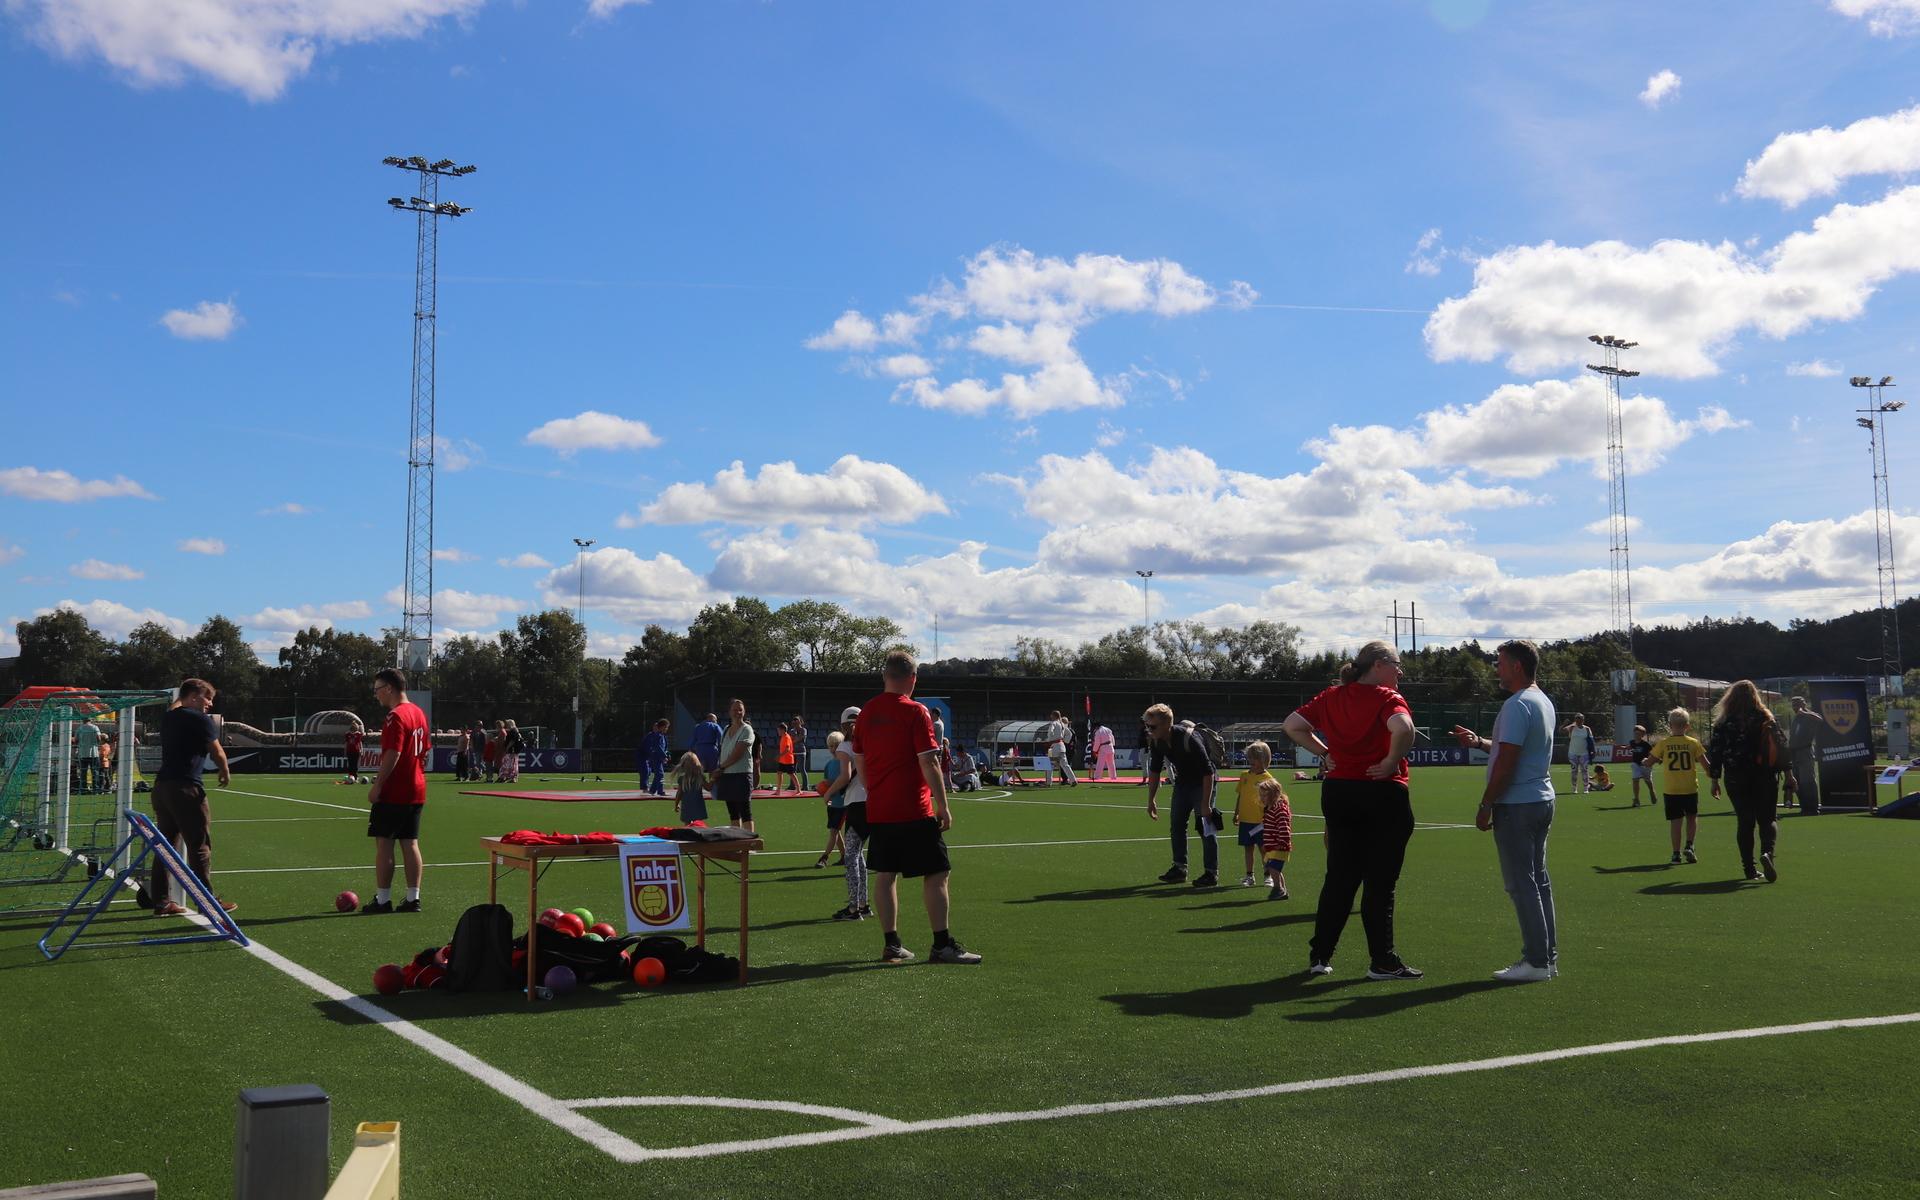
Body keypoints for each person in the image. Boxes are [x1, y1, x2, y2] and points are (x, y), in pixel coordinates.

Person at [1283, 639, 1421, 980]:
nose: (1400, 671)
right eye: (1395, 665)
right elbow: (1404, 729)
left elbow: (1292, 725)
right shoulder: (1388, 698)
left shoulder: (1331, 696)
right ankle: (1382, 961)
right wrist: (1390, 762)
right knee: (1380, 883)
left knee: (1339, 878)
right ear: (1377, 665)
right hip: (1382, 792)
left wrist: (1324, 753)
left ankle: (1320, 956)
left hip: (1339, 791)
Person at [852, 652, 979, 962]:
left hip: (880, 808)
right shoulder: (916, 712)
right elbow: (929, 760)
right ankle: (941, 944)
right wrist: (944, 805)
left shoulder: (867, 712)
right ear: (912, 679)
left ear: (885, 676)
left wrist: (874, 789)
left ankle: (892, 943)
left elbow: (860, 759)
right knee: (937, 872)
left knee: (886, 874)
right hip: (913, 807)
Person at [1452, 639, 1558, 983]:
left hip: (1518, 804)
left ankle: (1537, 961)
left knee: (1521, 884)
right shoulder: (1541, 701)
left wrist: (1486, 805)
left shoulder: (1516, 705)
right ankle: (1546, 958)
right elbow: (1512, 750)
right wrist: (1481, 743)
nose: (1495, 669)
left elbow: (1508, 762)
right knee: (1538, 881)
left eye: (1499, 663)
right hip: (1541, 798)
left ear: (1516, 666)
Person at [147, 678, 236, 916]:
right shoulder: (199, 719)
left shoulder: (169, 717)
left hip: (162, 788)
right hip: (186, 788)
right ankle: (208, 903)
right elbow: (216, 750)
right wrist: (224, 769)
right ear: (195, 697)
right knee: (199, 847)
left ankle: (162, 902)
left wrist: (183, 693)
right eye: (207, 698)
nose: (209, 705)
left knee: (165, 846)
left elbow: (175, 706)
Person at [1707, 681, 1789, 883]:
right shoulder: (1765, 717)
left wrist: (1714, 779)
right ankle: (1768, 853)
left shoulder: (1724, 722)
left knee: (1745, 821)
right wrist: (1789, 774)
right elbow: (1781, 747)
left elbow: (1715, 752)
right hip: (1764, 775)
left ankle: (1749, 869)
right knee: (1768, 818)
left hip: (1736, 776)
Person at [363, 667, 429, 914]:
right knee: (410, 843)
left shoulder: (395, 716)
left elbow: (394, 752)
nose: (376, 695)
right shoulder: (419, 713)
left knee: (385, 844)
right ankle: (413, 898)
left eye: (377, 689)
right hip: (416, 787)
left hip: (395, 790)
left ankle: (383, 900)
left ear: (389, 688)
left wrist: (377, 786)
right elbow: (424, 752)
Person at [1143, 702, 1221, 888]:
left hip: (1203, 783)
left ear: (1165, 725)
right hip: (1183, 783)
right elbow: (1154, 771)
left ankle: (1211, 873)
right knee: (1177, 825)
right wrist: (1151, 799)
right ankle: (1179, 869)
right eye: (1146, 725)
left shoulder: (1189, 738)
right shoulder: (1156, 741)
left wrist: (1205, 804)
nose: (1148, 730)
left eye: (1152, 726)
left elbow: (1208, 772)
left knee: (1205, 828)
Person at [821, 709, 872, 921]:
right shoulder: (870, 744)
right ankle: (863, 903)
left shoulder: (845, 746)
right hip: (872, 801)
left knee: (851, 857)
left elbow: (845, 776)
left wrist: (829, 793)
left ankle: (853, 909)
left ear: (843, 726)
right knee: (858, 854)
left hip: (856, 804)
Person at [1650, 708, 1710, 865]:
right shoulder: (1693, 743)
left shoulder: (1664, 744)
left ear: (1670, 725)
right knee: (1692, 817)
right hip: (1689, 788)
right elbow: (1706, 765)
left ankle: (1676, 854)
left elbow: (1650, 761)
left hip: (1672, 789)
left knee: (1676, 822)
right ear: (1687, 726)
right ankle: (1690, 845)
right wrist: (1714, 777)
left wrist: (1644, 761)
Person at [1232, 741, 1279, 886]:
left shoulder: (1268, 779)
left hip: (1261, 822)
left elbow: (1272, 802)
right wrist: (1236, 813)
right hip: (1246, 820)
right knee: (1248, 849)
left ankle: (1268, 875)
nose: (1250, 761)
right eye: (1249, 757)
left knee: (1264, 849)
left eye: (1254, 758)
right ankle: (1249, 876)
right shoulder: (1244, 776)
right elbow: (1240, 795)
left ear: (1264, 759)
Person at [708, 699, 757, 832]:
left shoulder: (747, 729)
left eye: (740, 709)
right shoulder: (726, 729)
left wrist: (721, 767)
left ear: (744, 712)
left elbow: (738, 754)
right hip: (727, 775)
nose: (738, 712)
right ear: (729, 712)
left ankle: (749, 844)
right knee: (733, 813)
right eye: (735, 710)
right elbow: (723, 751)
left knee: (745, 811)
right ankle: (737, 842)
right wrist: (720, 769)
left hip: (741, 775)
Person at [815, 729, 848, 868]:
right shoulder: (829, 765)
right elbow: (827, 783)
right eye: (831, 746)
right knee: (835, 830)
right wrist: (823, 788)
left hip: (843, 804)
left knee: (834, 831)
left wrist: (831, 785)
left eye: (836, 745)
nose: (833, 749)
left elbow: (845, 781)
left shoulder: (845, 763)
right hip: (832, 804)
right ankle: (844, 856)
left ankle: (824, 857)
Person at [1786, 696, 1825, 813]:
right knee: (1796, 781)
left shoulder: (1809, 716)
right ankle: (1804, 806)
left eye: (1797, 705)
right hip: (1794, 753)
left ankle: (1812, 808)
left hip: (1805, 752)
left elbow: (1820, 719)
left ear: (1803, 704)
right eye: (1793, 705)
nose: (1795, 708)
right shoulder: (1796, 719)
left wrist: (1804, 712)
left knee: (1807, 780)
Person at [1260, 776, 1292, 900]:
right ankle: (1282, 890)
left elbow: (1284, 827)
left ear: (1273, 795)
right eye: (1261, 795)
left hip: (1279, 845)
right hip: (1272, 845)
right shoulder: (1270, 808)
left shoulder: (1280, 809)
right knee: (1274, 868)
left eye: (1264, 795)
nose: (1262, 798)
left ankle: (1278, 888)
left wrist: (1282, 842)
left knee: (1273, 867)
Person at [1039, 709, 1078, 787]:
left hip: (1054, 746)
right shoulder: (1062, 724)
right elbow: (1069, 734)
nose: (1050, 716)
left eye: (1051, 715)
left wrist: (1049, 738)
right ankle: (1073, 780)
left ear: (1054, 716)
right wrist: (1065, 740)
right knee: (1065, 765)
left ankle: (1048, 782)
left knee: (1049, 764)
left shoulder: (1054, 723)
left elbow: (1050, 731)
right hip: (1062, 746)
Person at [671, 751, 707, 824]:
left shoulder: (682, 779)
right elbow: (708, 787)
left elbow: (679, 794)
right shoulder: (700, 777)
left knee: (687, 825)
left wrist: (676, 804)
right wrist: (713, 779)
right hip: (698, 806)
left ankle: (688, 835)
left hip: (686, 806)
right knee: (698, 825)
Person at [1561, 714, 1593, 794]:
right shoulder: (1571, 728)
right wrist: (1565, 724)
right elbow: (1561, 731)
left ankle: (1586, 788)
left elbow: (1591, 741)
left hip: (1584, 753)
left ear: (1583, 720)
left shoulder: (1587, 729)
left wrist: (1592, 750)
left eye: (1580, 719)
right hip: (1573, 753)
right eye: (1577, 719)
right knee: (1574, 771)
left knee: (1585, 770)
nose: (1579, 721)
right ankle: (1574, 788)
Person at [1626, 724, 1655, 808]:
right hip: (1636, 764)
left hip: (1645, 765)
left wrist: (1650, 760)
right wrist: (1626, 747)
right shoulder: (1632, 742)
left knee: (1648, 781)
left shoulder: (1646, 744)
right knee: (1635, 780)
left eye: (1638, 734)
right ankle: (1636, 799)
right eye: (1635, 734)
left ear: (1642, 735)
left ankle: (1652, 791)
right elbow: (1631, 747)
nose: (1636, 735)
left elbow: (1652, 753)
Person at [639, 718, 670, 795]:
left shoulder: (662, 736)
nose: (667, 729)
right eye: (666, 727)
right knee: (660, 774)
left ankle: (652, 790)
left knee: (658, 774)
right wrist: (664, 756)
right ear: (662, 727)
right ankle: (660, 791)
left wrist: (667, 754)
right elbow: (657, 747)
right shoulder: (658, 735)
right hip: (656, 758)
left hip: (659, 758)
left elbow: (664, 747)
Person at [73, 718, 101, 793]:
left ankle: (83, 789)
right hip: (93, 753)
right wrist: (95, 743)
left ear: (83, 720)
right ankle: (96, 789)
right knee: (95, 772)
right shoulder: (95, 727)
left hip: (82, 753)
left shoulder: (80, 728)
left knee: (83, 773)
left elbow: (75, 740)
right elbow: (99, 738)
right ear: (91, 720)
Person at [775, 721, 798, 792]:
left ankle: (799, 790)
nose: (778, 732)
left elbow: (787, 749)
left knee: (792, 774)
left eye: (779, 730)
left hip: (788, 760)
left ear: (783, 730)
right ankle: (778, 790)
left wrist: (779, 756)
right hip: (783, 760)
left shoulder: (786, 737)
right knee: (779, 772)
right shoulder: (782, 737)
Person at [791, 713, 811, 792]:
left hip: (801, 751)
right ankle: (792, 785)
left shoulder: (803, 730)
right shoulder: (792, 730)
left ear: (800, 722)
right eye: (794, 721)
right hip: (793, 752)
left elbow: (799, 738)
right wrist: (796, 738)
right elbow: (792, 740)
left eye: (797, 721)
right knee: (792, 770)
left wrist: (795, 739)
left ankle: (805, 786)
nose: (795, 723)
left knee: (802, 769)